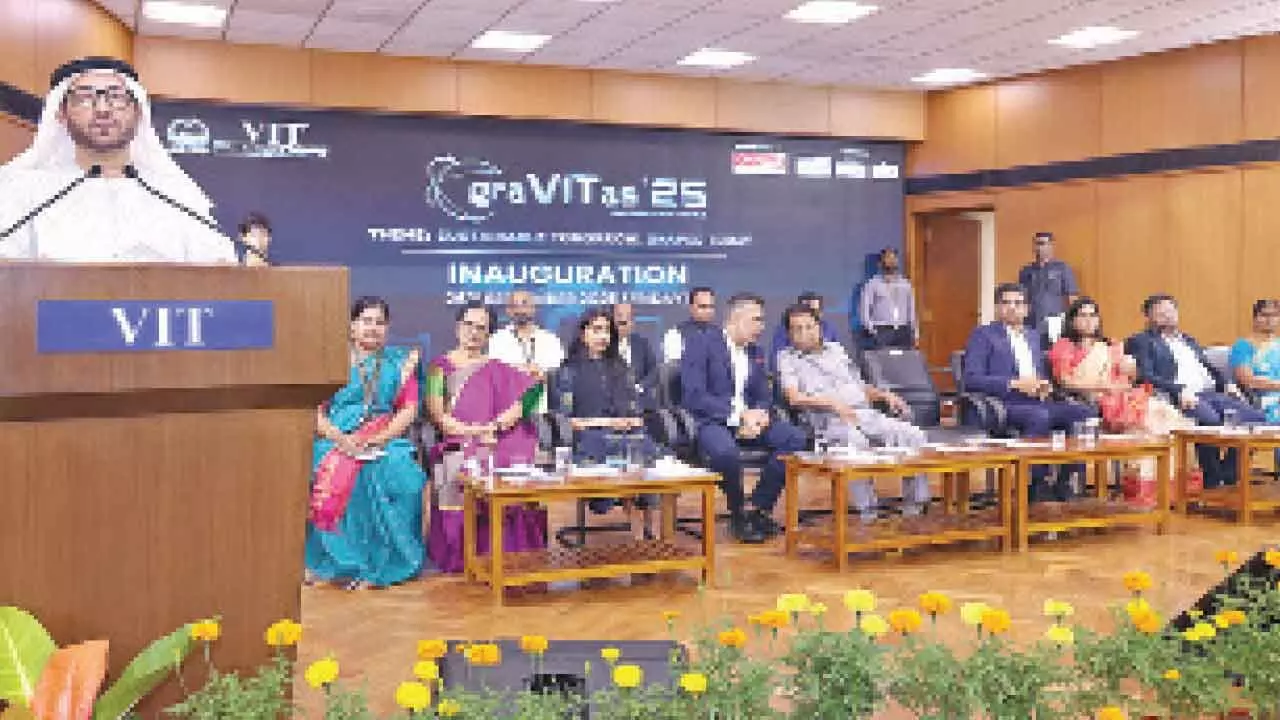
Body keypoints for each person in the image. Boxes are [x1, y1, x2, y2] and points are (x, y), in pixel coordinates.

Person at [0, 56, 236, 263]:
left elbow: (219, 266)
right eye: (85, 98)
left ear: (138, 111)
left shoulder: (177, 194)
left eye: (117, 97)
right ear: (61, 114)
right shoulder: (24, 191)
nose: (103, 109)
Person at [305, 296, 425, 590]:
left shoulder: (400, 364)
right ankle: (338, 564)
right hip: (335, 439)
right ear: (352, 326)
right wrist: (340, 439)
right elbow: (314, 412)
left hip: (384, 439)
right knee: (329, 465)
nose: (373, 328)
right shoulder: (331, 362)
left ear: (388, 328)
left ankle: (385, 563)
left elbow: (408, 410)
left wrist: (377, 439)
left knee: (401, 472)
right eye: (366, 321)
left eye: (379, 322)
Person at [425, 301, 547, 573]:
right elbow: (440, 418)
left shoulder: (496, 367)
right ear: (458, 327)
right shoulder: (438, 368)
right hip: (460, 439)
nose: (474, 332)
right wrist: (478, 431)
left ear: (489, 333)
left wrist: (508, 417)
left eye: (482, 328)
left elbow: (534, 391)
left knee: (515, 461)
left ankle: (511, 553)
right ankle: (467, 554)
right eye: (469, 325)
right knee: (465, 462)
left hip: (496, 437)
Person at [777, 304, 930, 521]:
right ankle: (868, 512)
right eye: (797, 329)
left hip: (864, 414)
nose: (804, 333)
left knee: (912, 434)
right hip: (829, 422)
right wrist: (833, 404)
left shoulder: (837, 351)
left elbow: (860, 387)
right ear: (789, 334)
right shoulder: (787, 358)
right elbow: (794, 397)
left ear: (819, 327)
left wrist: (884, 395)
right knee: (855, 442)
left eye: (809, 327)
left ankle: (915, 507)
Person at [681, 292, 808, 543]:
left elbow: (763, 395)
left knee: (795, 438)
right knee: (726, 453)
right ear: (735, 319)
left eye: (762, 320)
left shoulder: (755, 352)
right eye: (756, 320)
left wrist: (759, 414)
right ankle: (738, 513)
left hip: (750, 422)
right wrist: (738, 416)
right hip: (713, 421)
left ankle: (758, 507)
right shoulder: (700, 344)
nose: (761, 327)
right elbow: (694, 396)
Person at [963, 282, 1095, 502]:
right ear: (997, 308)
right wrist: (1014, 384)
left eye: (1018, 303)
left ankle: (1065, 480)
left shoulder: (1033, 336)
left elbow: (1041, 373)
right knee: (1039, 416)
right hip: (1003, 403)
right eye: (1006, 303)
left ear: (1026, 309)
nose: (1012, 308)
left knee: (1082, 412)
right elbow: (972, 379)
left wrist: (1045, 385)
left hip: (1038, 399)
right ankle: (1036, 483)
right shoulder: (983, 335)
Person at [1125, 294, 1264, 489]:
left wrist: (1228, 384)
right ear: (1148, 317)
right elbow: (1145, 375)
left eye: (1171, 310)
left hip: (1211, 392)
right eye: (1161, 312)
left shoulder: (1188, 340)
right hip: (1181, 395)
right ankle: (1211, 478)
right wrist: (1179, 390)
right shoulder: (1142, 341)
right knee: (1210, 421)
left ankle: (1229, 474)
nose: (1168, 315)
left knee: (1255, 419)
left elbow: (1209, 368)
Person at [552, 308, 659, 537]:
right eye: (596, 330)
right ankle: (639, 530)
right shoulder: (568, 370)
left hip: (623, 435)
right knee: (617, 452)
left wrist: (632, 419)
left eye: (607, 331)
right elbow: (567, 421)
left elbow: (634, 407)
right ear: (583, 334)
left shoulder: (620, 367)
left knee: (643, 448)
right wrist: (605, 421)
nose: (603, 336)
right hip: (589, 438)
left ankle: (647, 529)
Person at [1049, 297, 1188, 434]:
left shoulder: (1110, 345)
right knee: (1150, 420)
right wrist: (1103, 387)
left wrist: (1131, 369)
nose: (1089, 320)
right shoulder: (1064, 346)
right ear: (1072, 321)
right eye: (1083, 315)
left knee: (1164, 413)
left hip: (1122, 393)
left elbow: (1129, 377)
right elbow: (1065, 381)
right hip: (1092, 397)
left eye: (1093, 315)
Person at [488, 289, 564, 412]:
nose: (520, 310)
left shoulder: (551, 340)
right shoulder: (497, 339)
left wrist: (541, 374)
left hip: (541, 410)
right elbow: (493, 374)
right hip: (506, 411)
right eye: (514, 305)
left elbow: (558, 375)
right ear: (508, 311)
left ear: (533, 308)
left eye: (524, 304)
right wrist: (519, 371)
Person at [1018, 232, 1078, 343]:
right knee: (1031, 349)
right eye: (1036, 244)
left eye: (1042, 243)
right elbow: (1021, 299)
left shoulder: (1062, 268)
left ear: (1051, 245)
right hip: (1031, 321)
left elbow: (1072, 298)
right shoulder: (1026, 271)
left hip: (1055, 321)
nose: (1039, 248)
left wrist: (1072, 325)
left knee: (1053, 350)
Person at [1230, 299, 1280, 423]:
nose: (1270, 320)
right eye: (1264, 315)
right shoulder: (1243, 346)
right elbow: (1248, 381)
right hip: (1264, 401)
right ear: (1255, 318)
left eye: (1274, 315)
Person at [859, 249, 917, 349]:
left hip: (903, 331)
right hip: (882, 331)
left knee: (904, 358)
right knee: (883, 358)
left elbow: (911, 310)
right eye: (888, 258)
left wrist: (915, 332)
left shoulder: (905, 284)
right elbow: (865, 311)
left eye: (893, 258)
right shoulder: (872, 284)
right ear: (881, 262)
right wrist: (873, 330)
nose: (891, 261)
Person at [769, 291, 838, 366]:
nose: (809, 314)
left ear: (821, 313)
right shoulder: (783, 330)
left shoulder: (829, 328)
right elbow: (777, 358)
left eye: (814, 311)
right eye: (805, 309)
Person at [612, 302, 658, 408]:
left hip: (640, 401)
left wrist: (640, 387)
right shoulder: (604, 345)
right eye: (619, 316)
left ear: (633, 322)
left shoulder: (642, 343)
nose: (623, 320)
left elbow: (654, 370)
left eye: (628, 317)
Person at [662, 286, 717, 362]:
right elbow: (672, 367)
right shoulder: (675, 334)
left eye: (711, 306)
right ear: (691, 307)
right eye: (703, 306)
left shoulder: (721, 335)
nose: (708, 311)